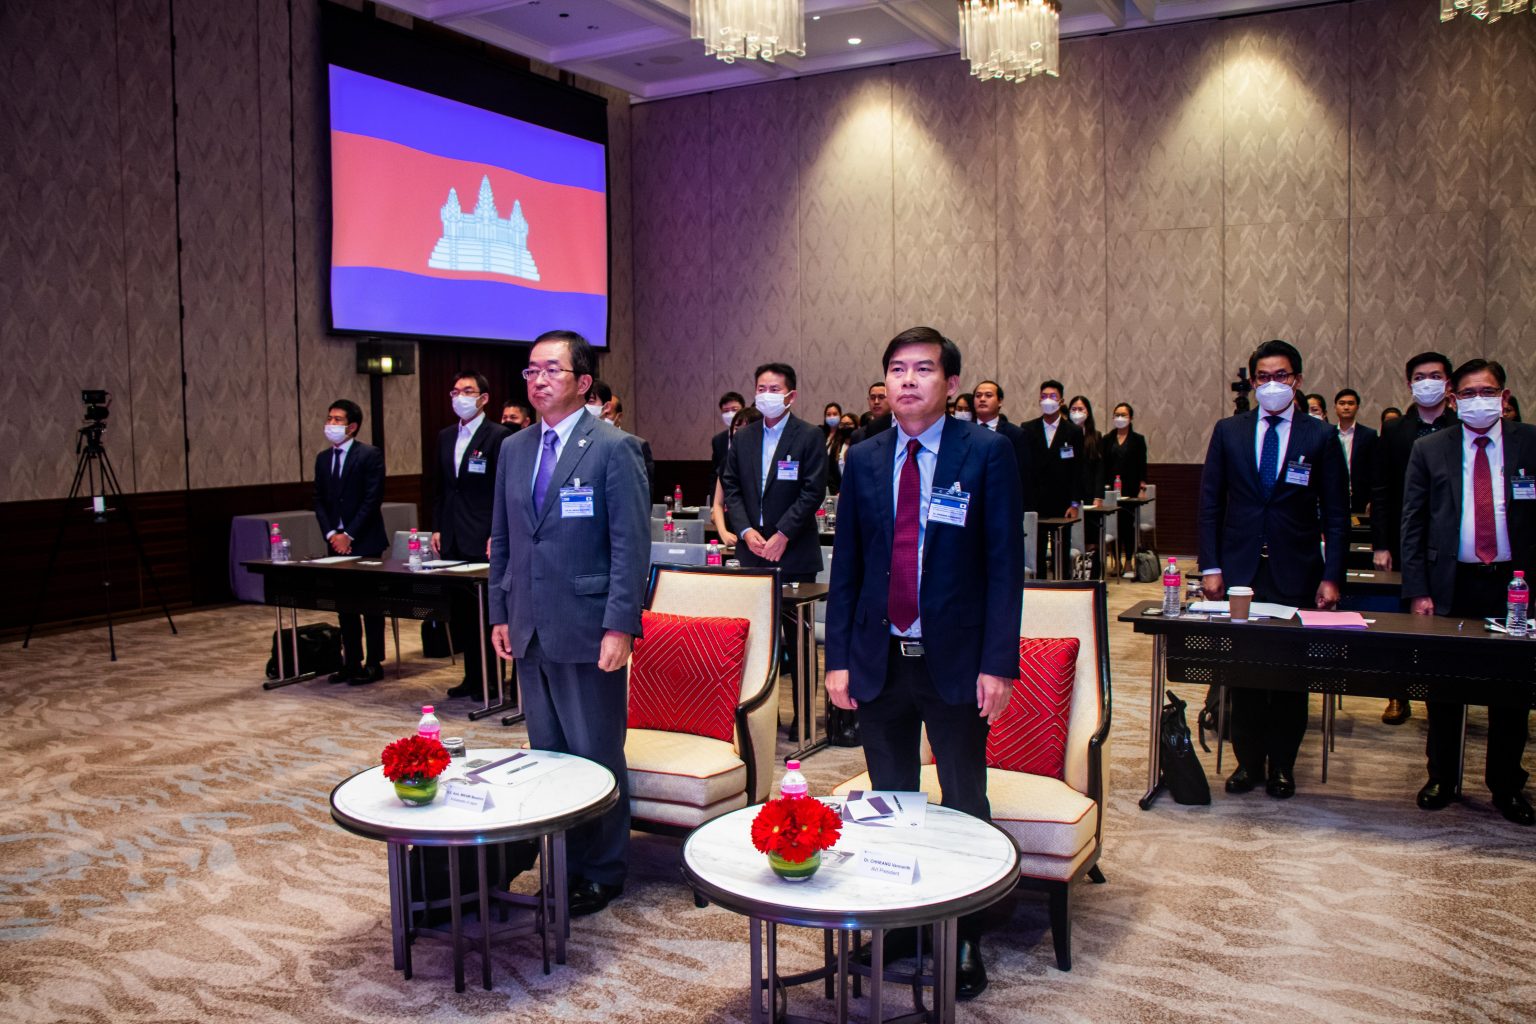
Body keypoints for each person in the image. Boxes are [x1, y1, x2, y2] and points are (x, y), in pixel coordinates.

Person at [825, 326, 1023, 1000]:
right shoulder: (865, 456)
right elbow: (848, 567)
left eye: (923, 369)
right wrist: (838, 658)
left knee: (964, 799)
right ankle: (904, 922)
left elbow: (1004, 566)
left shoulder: (987, 453)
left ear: (951, 383)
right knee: (891, 801)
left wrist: (999, 664)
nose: (907, 381)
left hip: (957, 661)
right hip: (879, 659)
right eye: (897, 369)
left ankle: (963, 934)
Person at [489, 329, 650, 917]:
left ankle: (601, 871)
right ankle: (561, 861)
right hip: (529, 624)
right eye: (531, 371)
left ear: (583, 382)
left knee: (596, 755)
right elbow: (505, 539)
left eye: (551, 370)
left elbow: (631, 547)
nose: (538, 380)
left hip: (588, 625)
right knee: (549, 756)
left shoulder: (615, 447)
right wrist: (499, 612)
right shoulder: (514, 448)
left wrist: (620, 626)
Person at [1199, 339, 1349, 800]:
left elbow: (1337, 515)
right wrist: (1211, 566)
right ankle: (1248, 763)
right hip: (1241, 571)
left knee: (1289, 676)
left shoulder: (1319, 436)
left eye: (1280, 376)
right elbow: (1210, 504)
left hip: (1297, 570)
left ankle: (1282, 764)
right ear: (1253, 381)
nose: (1272, 384)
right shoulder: (1229, 431)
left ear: (1297, 380)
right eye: (1263, 377)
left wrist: (1332, 576)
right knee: (1243, 671)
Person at [1401, 358, 1534, 827]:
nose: (1481, 400)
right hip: (1450, 583)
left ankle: (1506, 784)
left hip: (1514, 584)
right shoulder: (1430, 448)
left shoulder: (1530, 442)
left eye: (1489, 391)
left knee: (1511, 693)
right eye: (1470, 393)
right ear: (1454, 400)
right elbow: (1413, 522)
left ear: (1504, 396)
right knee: (1444, 689)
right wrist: (1417, 589)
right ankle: (1442, 777)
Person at [721, 362, 829, 731]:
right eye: (761, 389)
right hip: (753, 552)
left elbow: (813, 490)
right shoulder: (745, 437)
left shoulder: (809, 436)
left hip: (794, 551)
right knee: (757, 641)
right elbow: (732, 487)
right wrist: (746, 531)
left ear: (791, 395)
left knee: (798, 642)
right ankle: (761, 722)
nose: (766, 395)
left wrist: (783, 534)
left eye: (774, 389)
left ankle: (804, 720)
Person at [1371, 351, 1458, 726]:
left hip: (1450, 540)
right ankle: (1398, 693)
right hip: (1404, 539)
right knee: (1401, 623)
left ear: (1448, 383)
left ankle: (1444, 692)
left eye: (1435, 376)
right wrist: (1380, 544)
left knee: (1445, 622)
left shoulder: (1460, 426)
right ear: (1409, 384)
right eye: (1420, 377)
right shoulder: (1395, 430)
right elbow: (1382, 490)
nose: (1428, 383)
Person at [432, 371, 511, 701]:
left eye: (467, 391)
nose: (459, 397)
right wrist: (438, 526)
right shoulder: (445, 436)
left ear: (484, 398)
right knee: (462, 614)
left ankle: (492, 680)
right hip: (452, 535)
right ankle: (471, 677)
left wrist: (498, 533)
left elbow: (503, 491)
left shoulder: (499, 436)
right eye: (455, 391)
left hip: (483, 535)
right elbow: (441, 487)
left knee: (486, 614)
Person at [314, 399, 387, 685]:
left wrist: (349, 535)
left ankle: (374, 662)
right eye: (329, 418)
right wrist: (332, 535)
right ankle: (351, 661)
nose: (331, 424)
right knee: (345, 605)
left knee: (370, 604)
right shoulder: (323, 458)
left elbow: (372, 499)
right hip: (336, 543)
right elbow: (319, 501)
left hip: (365, 540)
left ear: (352, 426)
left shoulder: (369, 455)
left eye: (337, 420)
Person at [1102, 403, 1149, 569]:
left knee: (1128, 525)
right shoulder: (1107, 439)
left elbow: (1142, 465)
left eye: (1123, 415)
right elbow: (1103, 465)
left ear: (1131, 418)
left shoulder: (1138, 440)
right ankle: (1116, 562)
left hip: (1130, 488)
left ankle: (1129, 560)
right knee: (1113, 525)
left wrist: (1142, 487)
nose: (1119, 418)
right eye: (1117, 414)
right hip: (1111, 490)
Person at [587, 381, 654, 494]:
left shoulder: (630, 444)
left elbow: (639, 494)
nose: (585, 406)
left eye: (590, 401)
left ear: (606, 407)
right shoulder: (576, 443)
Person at [710, 406, 764, 545]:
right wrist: (723, 533)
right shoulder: (727, 460)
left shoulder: (767, 460)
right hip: (733, 530)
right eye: (736, 429)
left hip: (763, 532)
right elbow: (718, 503)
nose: (740, 433)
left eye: (746, 428)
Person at [1333, 388, 1377, 515]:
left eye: (1351, 403)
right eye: (1342, 403)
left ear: (1357, 407)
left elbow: (1375, 469)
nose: (1346, 407)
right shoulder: (1328, 434)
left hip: (1361, 498)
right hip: (1333, 496)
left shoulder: (1369, 435)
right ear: (1335, 407)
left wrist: (1372, 499)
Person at [708, 391, 747, 500]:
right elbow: (715, 474)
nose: (730, 414)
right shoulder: (718, 440)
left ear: (743, 410)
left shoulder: (753, 435)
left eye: (734, 409)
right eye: (726, 411)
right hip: (724, 496)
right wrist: (715, 501)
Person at [826, 412, 857, 496]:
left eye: (848, 424)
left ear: (855, 425)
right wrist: (836, 491)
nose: (845, 427)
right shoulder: (835, 447)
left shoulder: (861, 445)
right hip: (840, 493)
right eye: (842, 424)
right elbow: (831, 474)